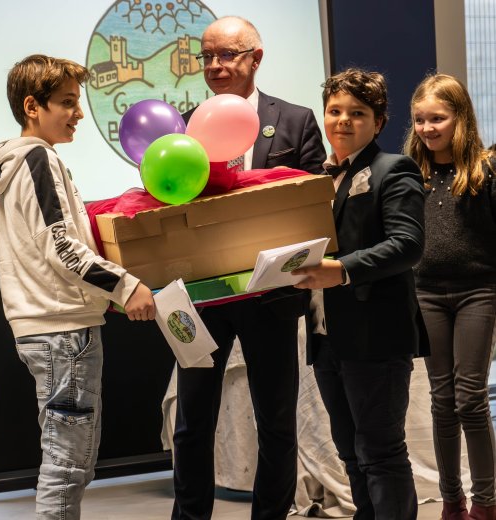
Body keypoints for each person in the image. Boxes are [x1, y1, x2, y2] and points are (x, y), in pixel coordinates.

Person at [0, 54, 156, 520]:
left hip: (52, 327)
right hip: (62, 331)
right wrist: (126, 286)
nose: (78, 113)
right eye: (67, 102)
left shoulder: (23, 162)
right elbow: (62, 249)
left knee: (70, 458)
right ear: (31, 106)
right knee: (67, 464)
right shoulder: (37, 158)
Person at [172, 16, 327, 520]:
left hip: (272, 294)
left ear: (254, 59)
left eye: (227, 55)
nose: (215, 67)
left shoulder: (296, 120)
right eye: (207, 56)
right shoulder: (181, 122)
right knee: (193, 421)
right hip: (202, 294)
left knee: (277, 422)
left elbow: (310, 204)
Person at [293, 68, 427, 519]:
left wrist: (343, 270)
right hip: (327, 335)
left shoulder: (394, 169)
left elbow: (407, 244)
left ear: (379, 121)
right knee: (349, 451)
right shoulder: (319, 180)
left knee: (380, 452)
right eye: (335, 111)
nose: (343, 121)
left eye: (357, 113)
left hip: (375, 336)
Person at [404, 73, 496, 520]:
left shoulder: (485, 170)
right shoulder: (409, 172)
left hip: (478, 292)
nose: (427, 128)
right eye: (420, 120)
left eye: (437, 118)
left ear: (460, 117)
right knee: (441, 402)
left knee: (470, 399)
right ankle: (452, 501)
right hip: (426, 295)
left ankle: (486, 501)